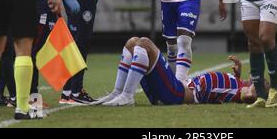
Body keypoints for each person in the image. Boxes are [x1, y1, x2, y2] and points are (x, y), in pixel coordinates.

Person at [94, 36, 265, 106]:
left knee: (144, 43)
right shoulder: (238, 83)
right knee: (132, 42)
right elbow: (224, 90)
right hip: (173, 90)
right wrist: (237, 75)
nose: (255, 74)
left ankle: (127, 96)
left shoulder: (244, 91)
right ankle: (118, 93)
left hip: (176, 93)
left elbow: (249, 96)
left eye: (258, 78)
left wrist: (260, 90)